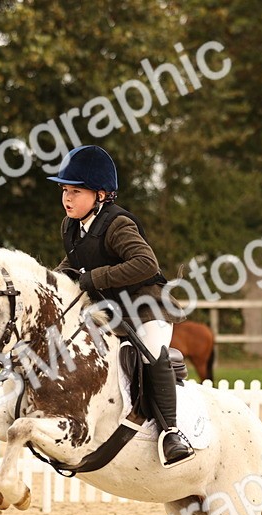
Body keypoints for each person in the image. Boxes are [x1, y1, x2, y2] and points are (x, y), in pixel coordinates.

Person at [49, 145, 194, 467]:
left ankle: (172, 433)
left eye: (75, 191)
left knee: (151, 353)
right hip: (110, 311)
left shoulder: (118, 225)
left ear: (101, 195)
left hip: (146, 308)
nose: (67, 198)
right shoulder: (70, 225)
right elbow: (73, 263)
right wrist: (52, 281)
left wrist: (94, 279)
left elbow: (145, 263)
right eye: (64, 190)